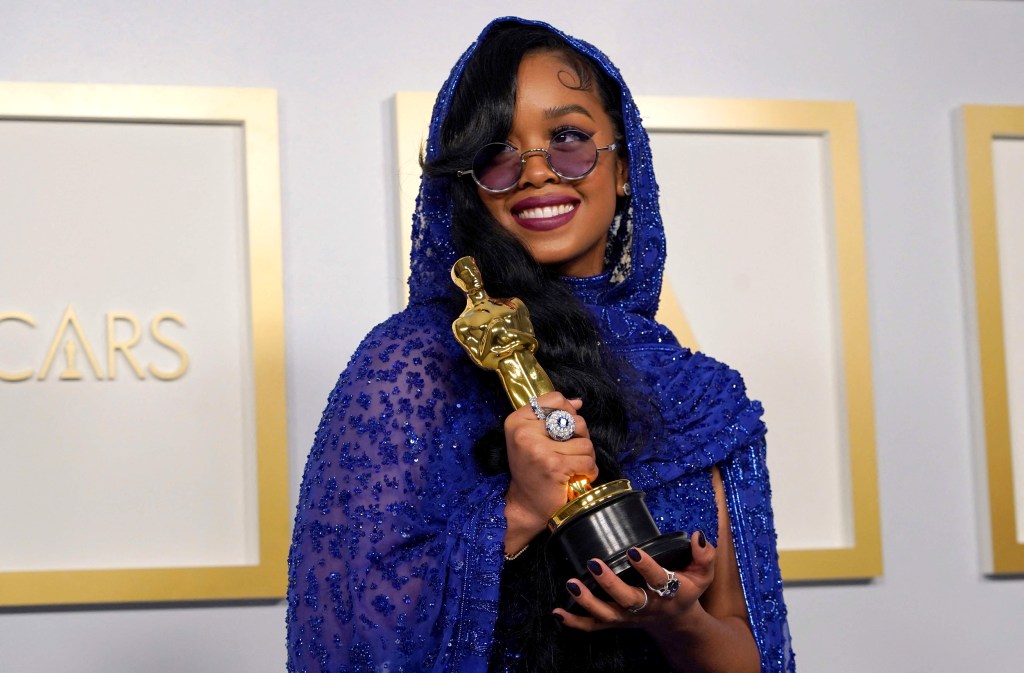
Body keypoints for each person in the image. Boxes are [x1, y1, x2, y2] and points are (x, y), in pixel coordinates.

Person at [286, 16, 795, 673]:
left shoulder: (703, 397)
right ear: (471, 186)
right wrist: (520, 511)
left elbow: (750, 654)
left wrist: (679, 621)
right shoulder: (412, 364)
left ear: (624, 167)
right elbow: (346, 633)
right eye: (497, 153)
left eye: (569, 139)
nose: (535, 172)